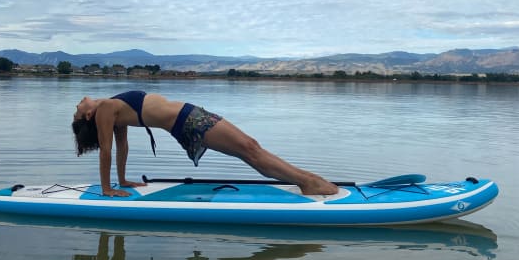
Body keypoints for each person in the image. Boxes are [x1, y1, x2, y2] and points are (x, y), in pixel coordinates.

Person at [72, 91, 339, 197]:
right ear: (88, 115)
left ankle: (306, 178)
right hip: (188, 120)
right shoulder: (105, 109)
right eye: (77, 108)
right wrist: (107, 188)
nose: (80, 100)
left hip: (187, 118)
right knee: (250, 148)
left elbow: (123, 147)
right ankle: (306, 182)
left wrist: (123, 180)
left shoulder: (112, 109)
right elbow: (108, 150)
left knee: (249, 149)